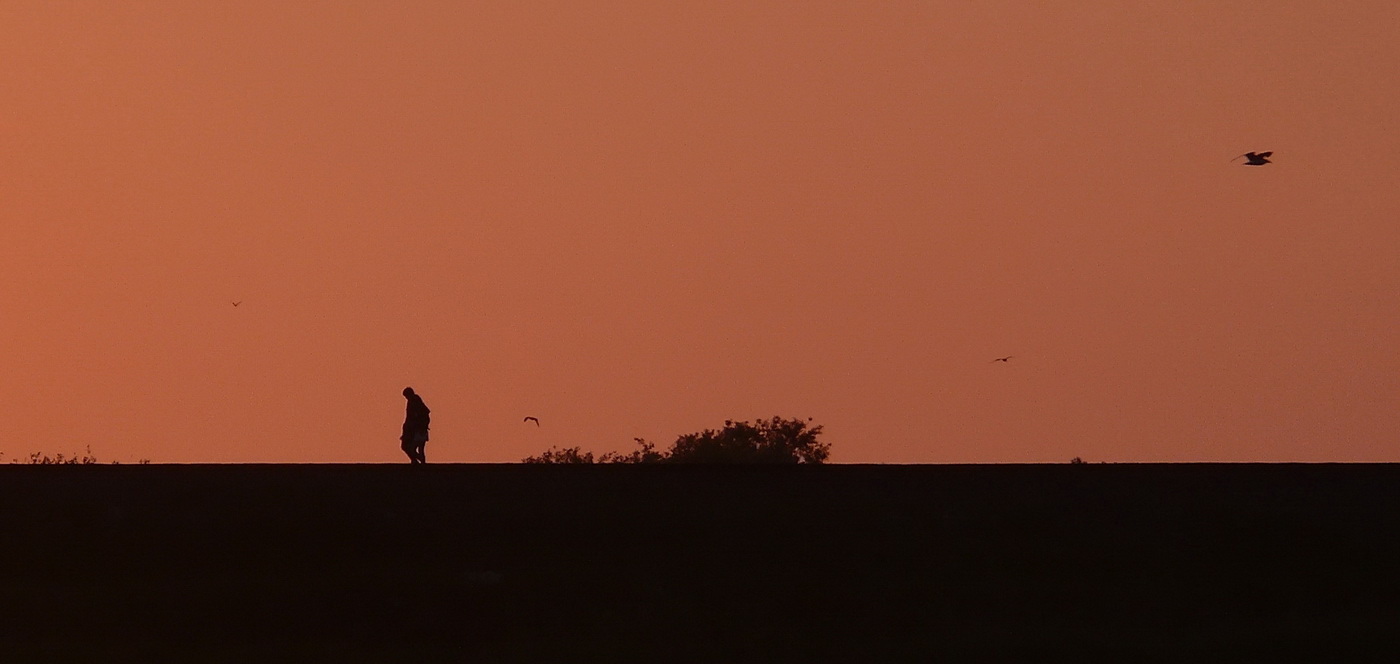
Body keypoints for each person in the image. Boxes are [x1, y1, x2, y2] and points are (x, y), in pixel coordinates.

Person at [401, 387, 430, 464]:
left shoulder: (414, 401)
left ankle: (418, 461)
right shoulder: (414, 401)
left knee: (410, 447)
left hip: (417, 430)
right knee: (416, 448)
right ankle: (418, 461)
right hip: (416, 429)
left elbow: (411, 417)